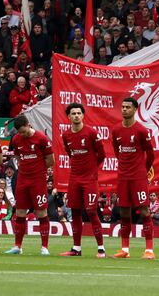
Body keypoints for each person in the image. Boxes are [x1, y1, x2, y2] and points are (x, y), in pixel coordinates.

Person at [111, 96, 156, 259]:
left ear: (135, 109)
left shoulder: (141, 130)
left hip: (138, 177)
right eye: (122, 107)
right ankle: (125, 249)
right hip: (123, 177)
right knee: (123, 211)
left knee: (144, 209)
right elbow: (117, 152)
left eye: (128, 107)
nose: (124, 109)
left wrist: (143, 170)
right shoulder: (116, 130)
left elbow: (151, 154)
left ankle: (149, 250)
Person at [59, 102, 106, 257]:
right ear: (69, 116)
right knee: (75, 211)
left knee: (92, 211)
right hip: (74, 179)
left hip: (89, 179)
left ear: (83, 115)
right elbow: (69, 153)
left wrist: (92, 169)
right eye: (73, 113)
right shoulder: (66, 135)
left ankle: (101, 248)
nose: (76, 116)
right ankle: (76, 248)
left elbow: (102, 154)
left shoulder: (91, 133)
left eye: (79, 113)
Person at [6, 114, 53, 255]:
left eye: (23, 131)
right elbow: (18, 156)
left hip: (38, 180)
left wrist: (38, 170)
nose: (22, 134)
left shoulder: (41, 139)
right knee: (20, 212)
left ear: (28, 125)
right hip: (22, 179)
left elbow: (50, 160)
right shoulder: (16, 139)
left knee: (41, 212)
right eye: (19, 132)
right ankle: (17, 246)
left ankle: (44, 247)